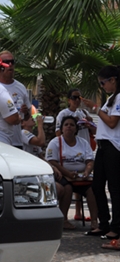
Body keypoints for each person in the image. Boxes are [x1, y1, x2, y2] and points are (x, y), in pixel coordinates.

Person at [81, 65, 120, 246]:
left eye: (103, 83)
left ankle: (116, 226)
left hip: (113, 146)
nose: (102, 86)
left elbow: (112, 122)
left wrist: (96, 109)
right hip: (103, 145)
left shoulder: (119, 97)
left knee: (114, 187)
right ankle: (104, 223)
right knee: (97, 186)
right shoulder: (111, 98)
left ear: (113, 80)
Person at [46, 116, 98, 231]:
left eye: (72, 125)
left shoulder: (83, 143)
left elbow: (90, 161)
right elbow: (52, 161)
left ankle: (94, 221)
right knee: (67, 188)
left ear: (76, 129)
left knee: (92, 189)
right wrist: (67, 173)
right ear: (62, 128)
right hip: (62, 175)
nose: (69, 126)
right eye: (66, 124)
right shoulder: (55, 143)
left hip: (80, 177)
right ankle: (64, 220)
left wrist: (87, 172)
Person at [56, 88, 97, 221]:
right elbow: (58, 133)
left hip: (84, 146)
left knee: (85, 178)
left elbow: (95, 130)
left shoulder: (83, 113)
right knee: (70, 183)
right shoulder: (64, 114)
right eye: (74, 97)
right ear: (69, 100)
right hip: (70, 150)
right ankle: (71, 214)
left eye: (79, 98)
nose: (77, 100)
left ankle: (80, 212)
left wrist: (89, 122)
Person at [0, 51, 31, 148]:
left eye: (12, 61)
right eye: (6, 62)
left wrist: (25, 113)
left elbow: (27, 117)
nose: (10, 64)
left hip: (16, 142)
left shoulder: (20, 87)